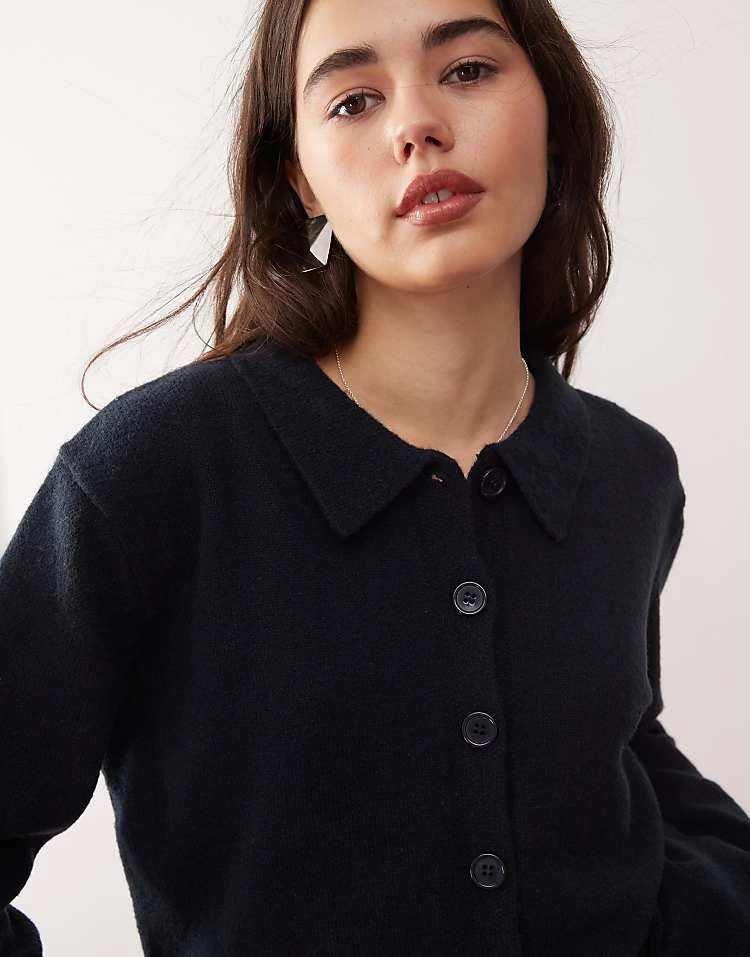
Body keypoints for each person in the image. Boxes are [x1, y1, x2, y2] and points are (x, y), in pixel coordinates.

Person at [2, 0, 749, 954]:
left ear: (554, 114)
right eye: (353, 101)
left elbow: (624, 737)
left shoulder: (629, 469)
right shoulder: (155, 470)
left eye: (468, 71)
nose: (417, 125)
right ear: (299, 178)